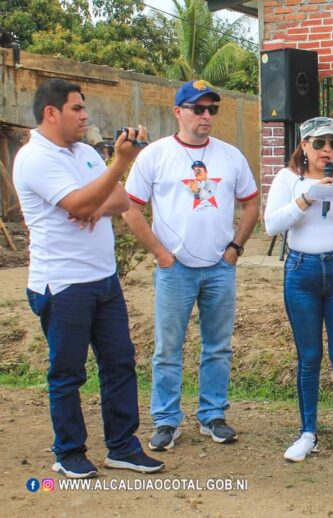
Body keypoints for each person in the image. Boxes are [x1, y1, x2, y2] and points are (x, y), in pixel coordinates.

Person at [12, 79, 164, 478]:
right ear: (51, 113)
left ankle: (122, 446)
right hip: (62, 285)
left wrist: (93, 198)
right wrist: (117, 165)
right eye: (77, 108)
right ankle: (69, 452)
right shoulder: (34, 157)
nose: (85, 115)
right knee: (68, 372)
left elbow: (120, 200)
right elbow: (79, 202)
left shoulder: (83, 153)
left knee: (120, 364)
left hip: (104, 279)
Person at [122, 79, 259, 451]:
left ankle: (213, 415)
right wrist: (161, 254)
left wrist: (235, 249)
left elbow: (251, 202)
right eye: (198, 108)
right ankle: (166, 420)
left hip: (219, 266)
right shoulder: (155, 155)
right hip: (175, 270)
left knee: (218, 346)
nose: (206, 115)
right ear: (177, 112)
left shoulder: (230, 155)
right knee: (168, 348)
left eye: (212, 109)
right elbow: (130, 208)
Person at [264, 116, 333, 468]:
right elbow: (271, 225)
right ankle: (308, 433)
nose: (327, 151)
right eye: (319, 144)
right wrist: (304, 200)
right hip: (302, 270)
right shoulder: (288, 179)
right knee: (308, 357)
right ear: (304, 146)